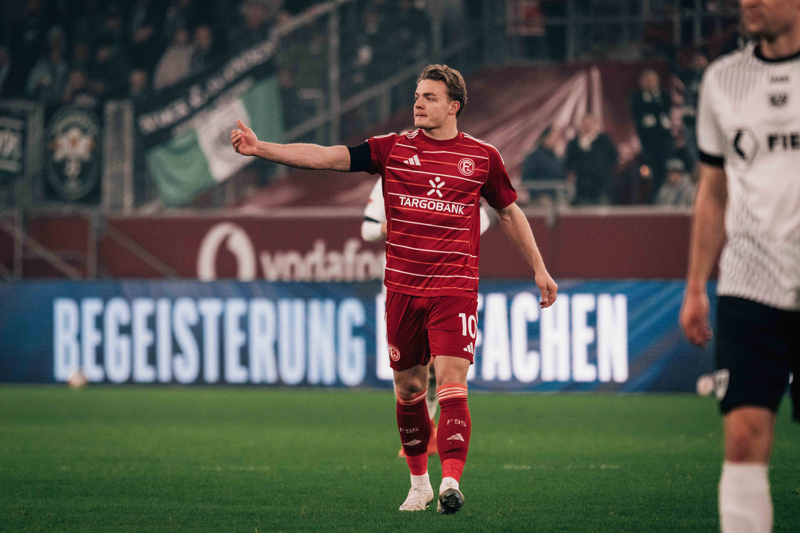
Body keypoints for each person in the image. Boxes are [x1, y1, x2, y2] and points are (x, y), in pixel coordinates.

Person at [232, 64, 557, 515]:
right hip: (402, 290)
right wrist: (261, 148)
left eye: (429, 97)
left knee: (451, 382)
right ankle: (419, 485)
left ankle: (451, 482)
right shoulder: (393, 149)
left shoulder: (482, 158)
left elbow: (508, 212)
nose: (418, 103)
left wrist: (539, 268)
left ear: (453, 106)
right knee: (408, 389)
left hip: (454, 289)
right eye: (417, 96)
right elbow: (328, 156)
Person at [679, 1, 800, 531]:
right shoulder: (722, 80)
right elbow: (713, 188)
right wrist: (695, 286)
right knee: (744, 436)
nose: (749, 1)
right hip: (749, 283)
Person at [361, 164, 494, 460]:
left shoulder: (452, 176)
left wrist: (454, 228)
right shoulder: (391, 177)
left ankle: (431, 428)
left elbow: (485, 218)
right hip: (403, 285)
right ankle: (418, 432)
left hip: (445, 285)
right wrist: (393, 227)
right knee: (409, 371)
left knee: (438, 365)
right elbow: (367, 229)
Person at [630, 68, 674, 202]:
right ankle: (650, 200)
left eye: (652, 80)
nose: (649, 83)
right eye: (647, 80)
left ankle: (666, 198)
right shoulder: (637, 97)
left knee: (666, 170)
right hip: (647, 144)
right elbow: (639, 111)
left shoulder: (664, 96)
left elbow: (665, 108)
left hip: (664, 143)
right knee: (647, 174)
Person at [565, 115, 617, 205]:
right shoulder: (574, 143)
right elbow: (569, 163)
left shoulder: (603, 140)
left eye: (590, 123)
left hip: (601, 187)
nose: (587, 126)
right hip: (582, 189)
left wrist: (603, 169)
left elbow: (614, 157)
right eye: (584, 124)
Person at [521, 126, 566, 204]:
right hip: (539, 201)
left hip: (556, 199)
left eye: (557, 139)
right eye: (553, 138)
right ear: (545, 138)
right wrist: (538, 196)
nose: (555, 141)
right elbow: (527, 179)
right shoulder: (533, 157)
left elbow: (562, 177)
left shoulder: (557, 159)